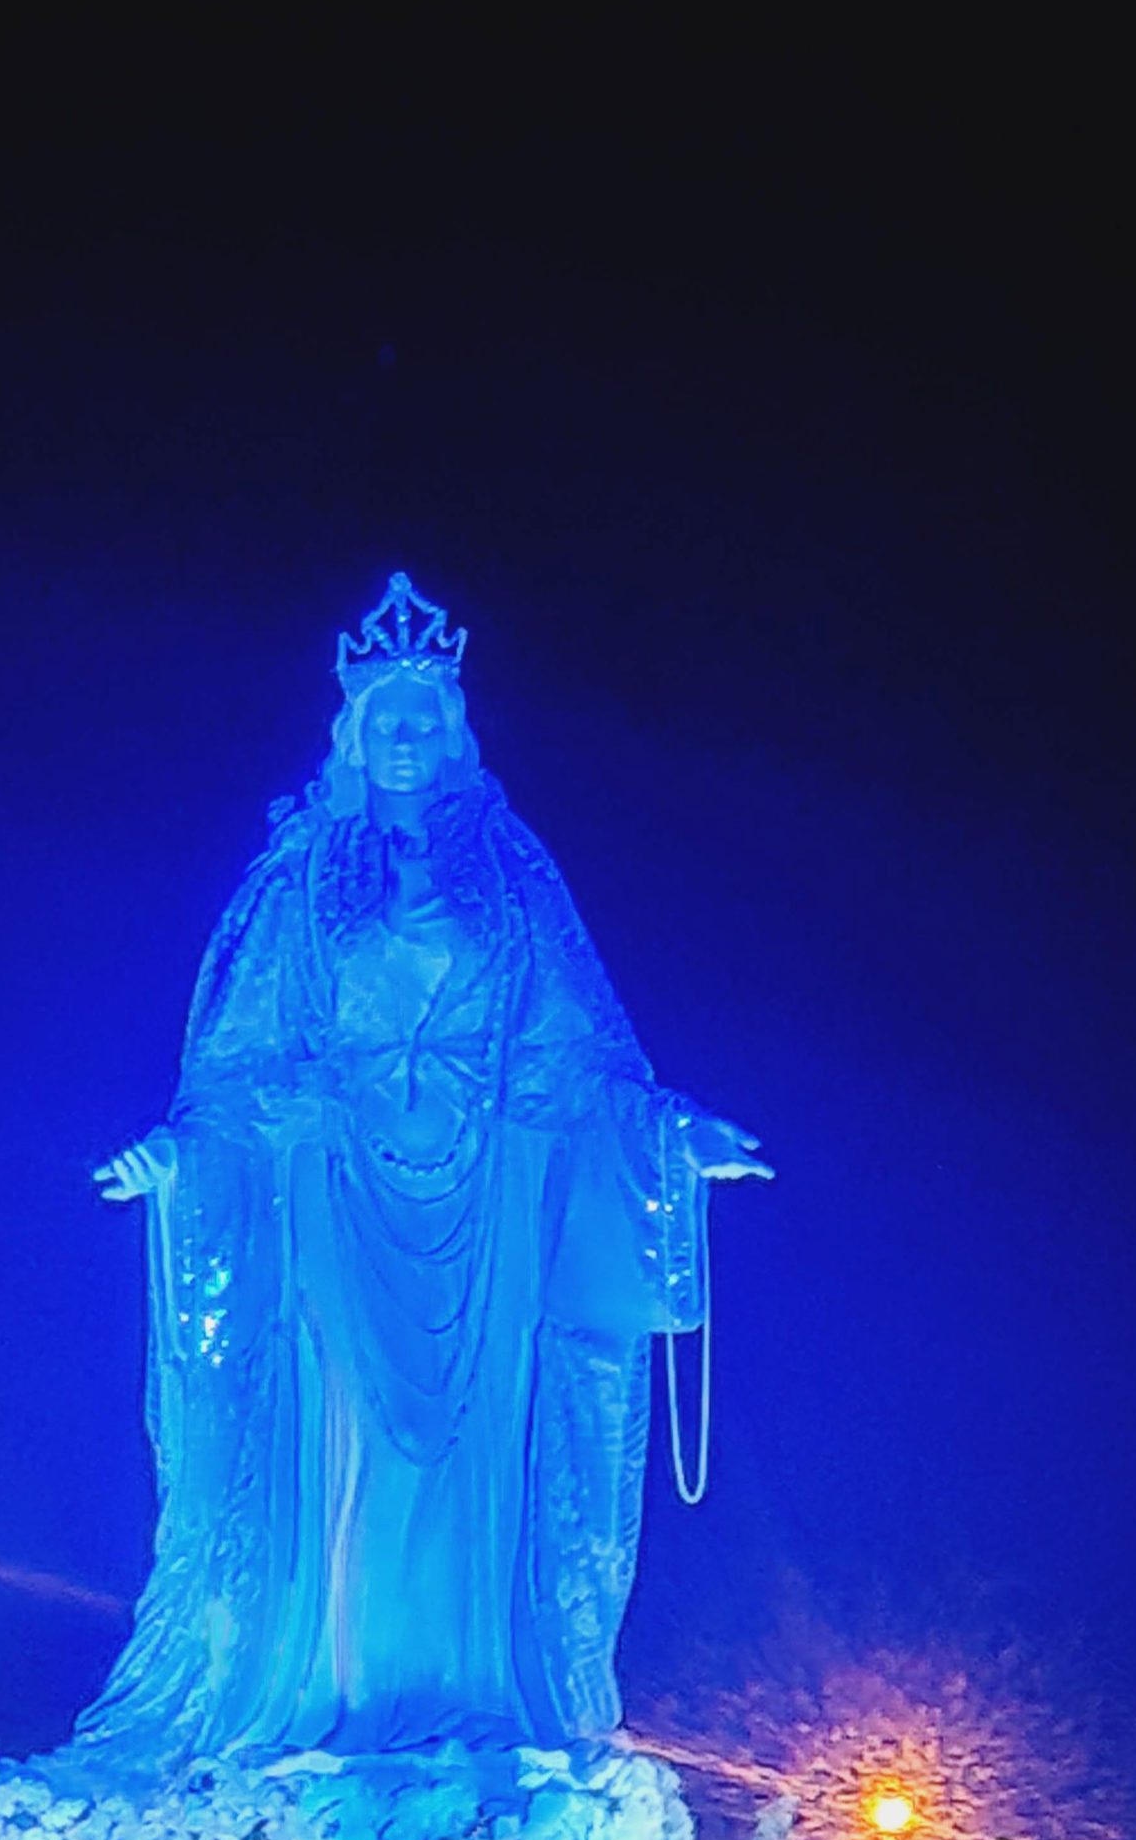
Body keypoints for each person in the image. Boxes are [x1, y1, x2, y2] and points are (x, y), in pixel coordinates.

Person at [76, 575, 768, 1766]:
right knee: (343, 1435)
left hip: (488, 1205)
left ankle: (472, 1695)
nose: (405, 733)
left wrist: (671, 1132)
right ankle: (345, 1695)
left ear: (455, 727)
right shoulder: (301, 875)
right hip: (339, 1204)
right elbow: (246, 1063)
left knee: (474, 1456)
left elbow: (576, 1048)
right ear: (352, 729)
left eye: (427, 714)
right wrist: (179, 1154)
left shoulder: (509, 874)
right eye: (385, 715)